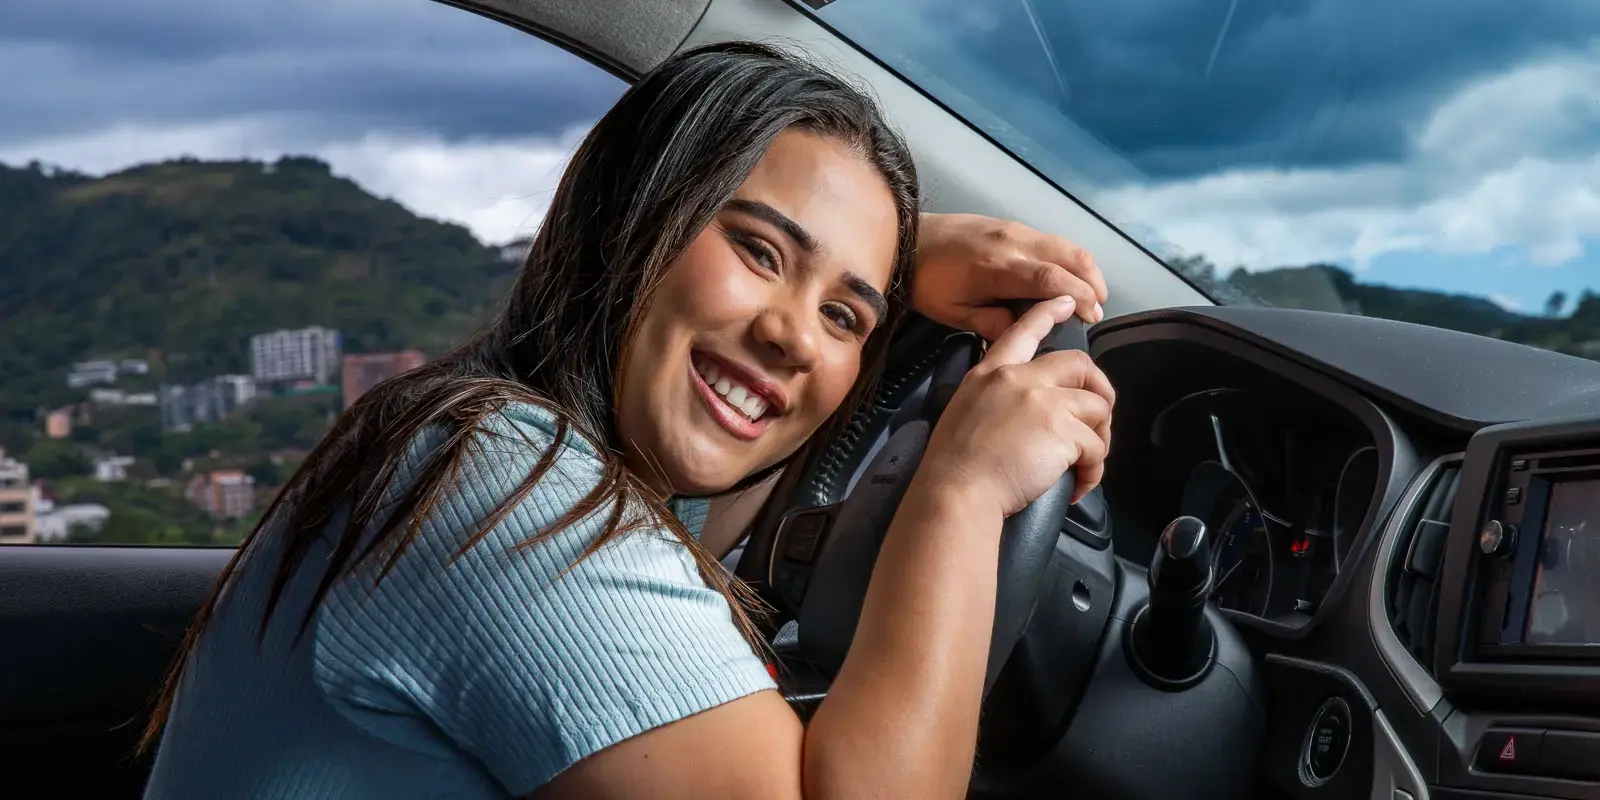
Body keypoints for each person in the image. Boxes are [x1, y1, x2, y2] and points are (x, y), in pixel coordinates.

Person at [139, 41, 1115, 799]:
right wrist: (961, 489)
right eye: (758, 250)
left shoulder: (561, 450)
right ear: (633, 218)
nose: (795, 337)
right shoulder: (501, 488)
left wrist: (888, 270)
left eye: (843, 315)